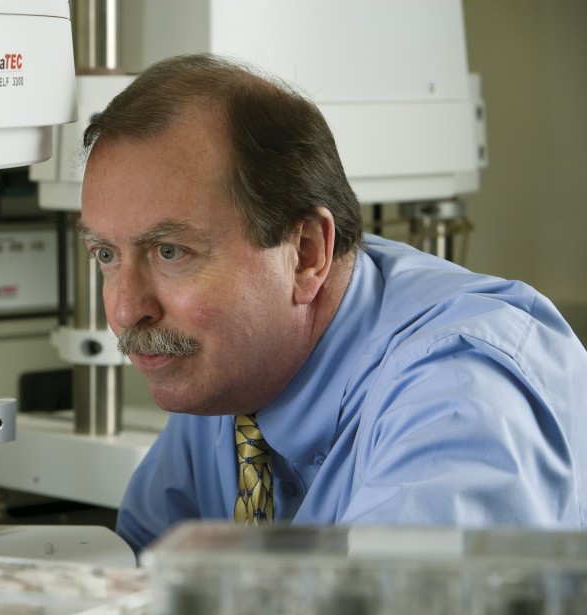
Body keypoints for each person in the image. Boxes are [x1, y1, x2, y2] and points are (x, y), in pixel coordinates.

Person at [77, 53, 587, 555]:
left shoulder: (457, 394)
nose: (125, 311)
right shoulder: (225, 372)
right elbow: (139, 583)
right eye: (105, 254)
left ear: (306, 253)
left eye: (170, 252)